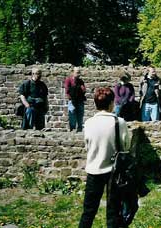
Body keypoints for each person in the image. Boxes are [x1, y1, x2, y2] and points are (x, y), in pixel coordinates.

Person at [79, 87, 131, 228]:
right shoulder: (119, 122)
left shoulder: (88, 123)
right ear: (111, 103)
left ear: (96, 104)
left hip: (93, 170)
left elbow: (87, 146)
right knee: (114, 212)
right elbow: (126, 147)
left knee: (88, 211)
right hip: (114, 172)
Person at [64, 67, 86, 132]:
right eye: (77, 72)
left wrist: (80, 90)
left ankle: (79, 129)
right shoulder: (69, 80)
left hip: (80, 100)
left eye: (79, 72)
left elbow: (84, 90)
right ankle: (72, 129)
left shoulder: (80, 81)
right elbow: (67, 90)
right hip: (72, 100)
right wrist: (71, 97)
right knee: (72, 114)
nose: (79, 74)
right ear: (73, 72)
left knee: (80, 114)